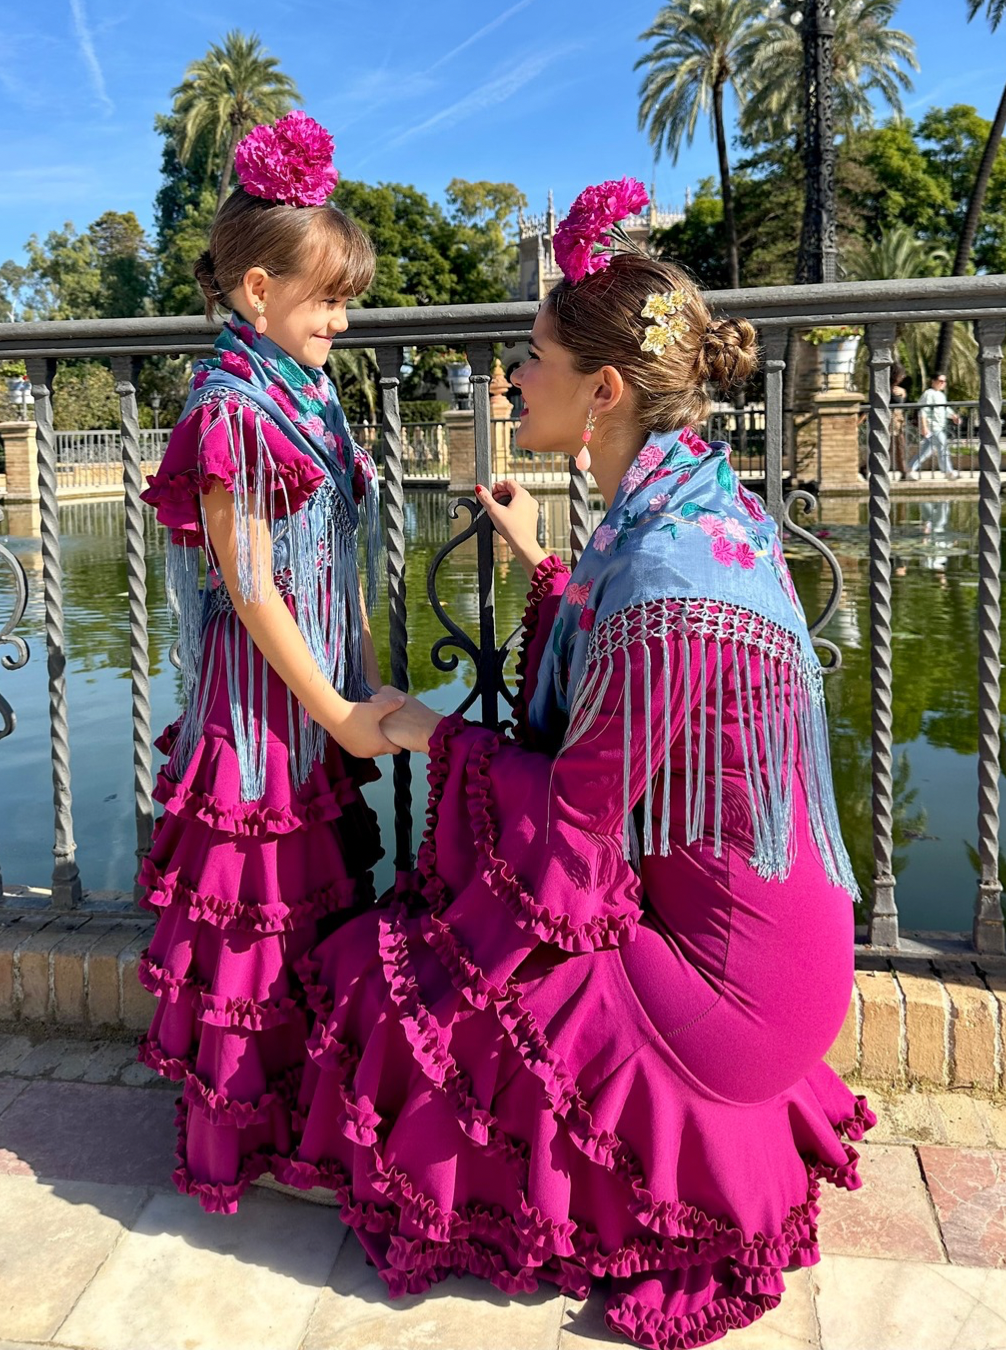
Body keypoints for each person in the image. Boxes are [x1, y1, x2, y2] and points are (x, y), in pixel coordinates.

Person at [282, 181, 873, 1349]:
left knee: (397, 995)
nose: (514, 377)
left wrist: (421, 731)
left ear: (602, 393)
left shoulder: (668, 583)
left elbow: (575, 829)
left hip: (732, 1003)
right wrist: (542, 563)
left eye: (535, 356)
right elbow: (632, 668)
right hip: (770, 950)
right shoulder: (685, 512)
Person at [135, 113, 403, 1210]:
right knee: (257, 930)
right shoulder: (232, 410)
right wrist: (339, 710)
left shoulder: (306, 390)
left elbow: (327, 561)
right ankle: (240, 1144)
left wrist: (358, 678)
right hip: (263, 724)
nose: (343, 317)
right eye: (329, 297)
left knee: (308, 924)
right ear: (257, 289)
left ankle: (305, 1123)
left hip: (313, 704)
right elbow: (249, 592)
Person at [908, 372, 960, 480]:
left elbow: (945, 410)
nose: (943, 383)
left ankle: (909, 470)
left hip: (939, 427)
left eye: (944, 381)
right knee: (943, 446)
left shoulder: (941, 395)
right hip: (933, 427)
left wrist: (954, 416)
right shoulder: (928, 394)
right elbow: (923, 411)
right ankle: (949, 472)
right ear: (933, 382)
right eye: (940, 381)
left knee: (925, 452)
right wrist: (924, 427)